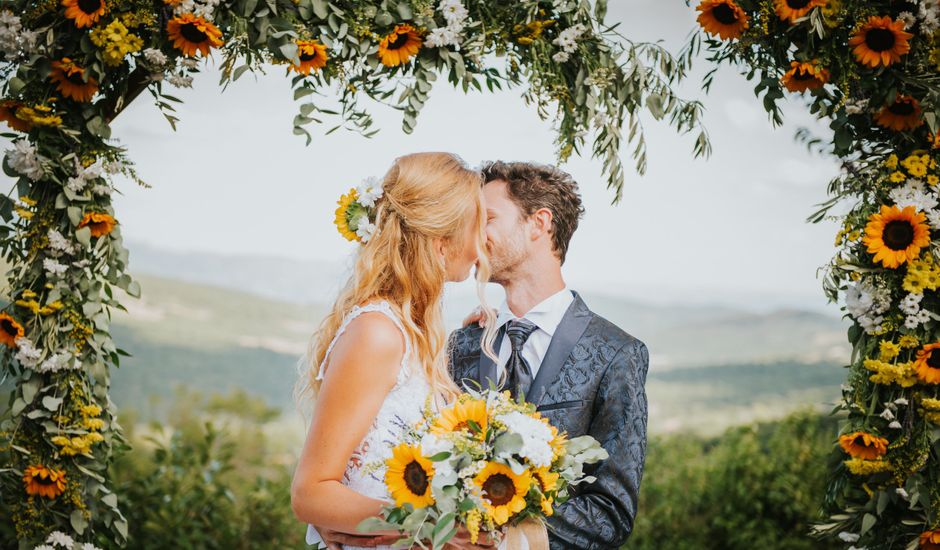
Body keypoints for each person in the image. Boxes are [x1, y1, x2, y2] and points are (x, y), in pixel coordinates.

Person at [290, 152, 499, 550]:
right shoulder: (378, 333)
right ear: (442, 242)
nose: (483, 244)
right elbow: (311, 493)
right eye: (479, 224)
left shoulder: (408, 332)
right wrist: (434, 528)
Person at [449, 161, 650, 549]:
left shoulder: (617, 353)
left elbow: (612, 512)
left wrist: (501, 537)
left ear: (539, 224)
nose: (472, 236)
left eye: (486, 219)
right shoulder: (463, 344)